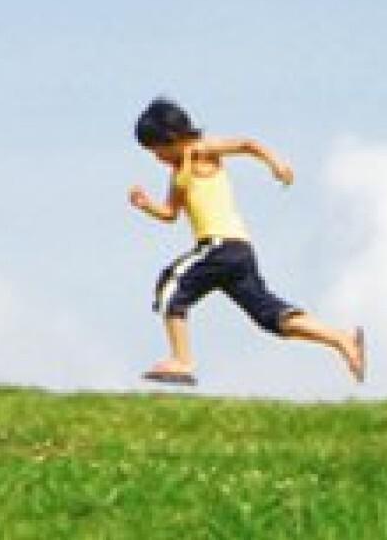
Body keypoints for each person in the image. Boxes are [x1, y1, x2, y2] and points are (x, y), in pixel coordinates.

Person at [127, 97, 365, 386]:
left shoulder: (201, 150)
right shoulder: (179, 171)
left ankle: (182, 361)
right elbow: (170, 214)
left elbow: (246, 145)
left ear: (172, 137)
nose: (157, 157)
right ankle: (342, 339)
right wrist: (145, 204)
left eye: (157, 149)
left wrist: (276, 164)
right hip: (238, 253)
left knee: (170, 285)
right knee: (269, 315)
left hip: (221, 246)